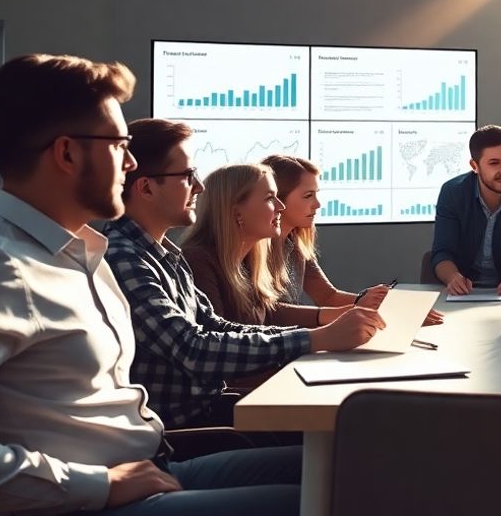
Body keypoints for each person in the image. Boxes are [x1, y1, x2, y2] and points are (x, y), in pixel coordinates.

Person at [0, 54, 302, 515]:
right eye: (120, 144)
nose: (132, 161)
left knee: (346, 467)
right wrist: (94, 486)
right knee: (324, 499)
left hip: (147, 467)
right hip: (94, 499)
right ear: (67, 153)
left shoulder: (84, 253)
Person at [104, 121, 386, 429]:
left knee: (343, 437)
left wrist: (319, 336)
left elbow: (218, 326)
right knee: (337, 449)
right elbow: (192, 348)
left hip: (212, 409)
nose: (198, 186)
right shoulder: (125, 259)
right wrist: (315, 339)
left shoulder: (167, 255)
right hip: (185, 432)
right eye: (187, 176)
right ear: (145, 188)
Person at [263, 153, 441, 325]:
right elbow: (266, 313)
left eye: (316, 194)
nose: (317, 204)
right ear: (276, 199)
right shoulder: (256, 250)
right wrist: (359, 308)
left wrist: (388, 307)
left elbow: (328, 296)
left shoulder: (296, 246)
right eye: (308, 196)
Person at [182, 163, 354, 327]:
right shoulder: (198, 262)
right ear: (236, 212)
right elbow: (219, 337)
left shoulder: (247, 259)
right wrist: (319, 337)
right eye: (270, 198)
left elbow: (267, 313)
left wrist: (331, 316)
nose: (280, 206)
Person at [430, 125, 501, 296]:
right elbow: (442, 253)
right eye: (494, 163)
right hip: (465, 293)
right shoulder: (452, 193)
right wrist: (453, 278)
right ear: (474, 166)